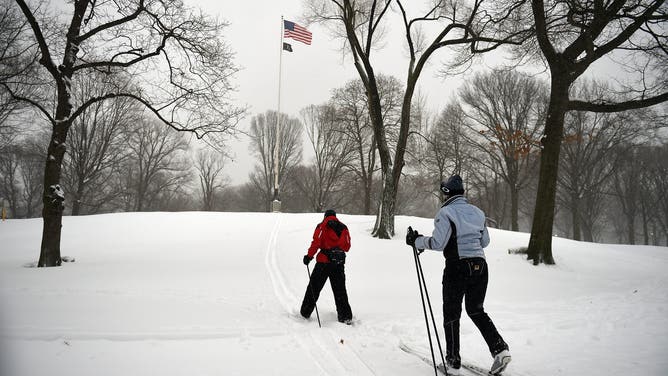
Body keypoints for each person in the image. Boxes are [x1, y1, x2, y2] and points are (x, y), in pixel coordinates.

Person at [406, 175, 511, 375]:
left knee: (452, 314)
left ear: (446, 193)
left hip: (457, 267)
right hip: (481, 266)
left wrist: (417, 241)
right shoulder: (478, 213)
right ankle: (500, 350)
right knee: (476, 310)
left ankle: (453, 361)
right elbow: (484, 242)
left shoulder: (446, 213)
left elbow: (438, 243)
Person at [300, 209, 353, 324]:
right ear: (335, 216)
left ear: (325, 216)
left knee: (314, 288)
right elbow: (347, 246)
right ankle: (345, 316)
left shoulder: (322, 226)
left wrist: (309, 256)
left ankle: (305, 312)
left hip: (323, 263)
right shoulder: (343, 227)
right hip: (338, 264)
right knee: (340, 290)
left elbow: (316, 242)